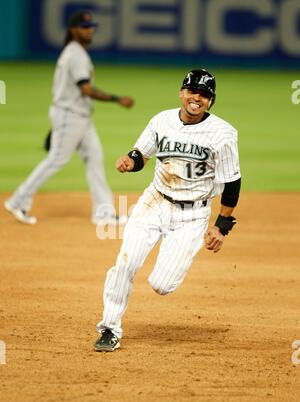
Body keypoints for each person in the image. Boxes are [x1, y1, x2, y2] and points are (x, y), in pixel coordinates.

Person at [94, 69, 241, 352]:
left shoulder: (223, 133)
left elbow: (232, 182)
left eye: (204, 95)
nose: (196, 98)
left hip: (193, 215)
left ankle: (163, 274)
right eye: (192, 91)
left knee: (162, 285)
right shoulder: (161, 120)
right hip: (154, 202)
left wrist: (221, 227)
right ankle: (109, 328)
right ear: (181, 92)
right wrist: (129, 161)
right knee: (125, 263)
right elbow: (141, 155)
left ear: (211, 100)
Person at [4, 11, 134, 225]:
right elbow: (86, 89)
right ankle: (18, 200)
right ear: (73, 30)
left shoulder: (76, 52)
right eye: (84, 26)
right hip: (70, 116)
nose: (89, 30)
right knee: (56, 159)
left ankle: (103, 213)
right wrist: (117, 99)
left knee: (95, 159)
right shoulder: (75, 54)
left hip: (77, 117)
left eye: (91, 26)